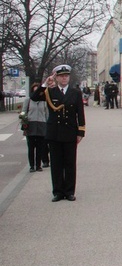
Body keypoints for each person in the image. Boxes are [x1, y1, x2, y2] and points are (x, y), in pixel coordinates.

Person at [31, 64, 86, 202]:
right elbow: (34, 97)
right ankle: (58, 191)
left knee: (69, 163)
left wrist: (80, 132)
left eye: (66, 76)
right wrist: (45, 84)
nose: (64, 78)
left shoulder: (75, 93)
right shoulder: (50, 91)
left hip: (70, 131)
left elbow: (80, 113)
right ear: (56, 77)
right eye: (61, 76)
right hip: (54, 132)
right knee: (56, 163)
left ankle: (69, 191)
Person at [22, 82, 49, 172]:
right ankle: (31, 166)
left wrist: (48, 124)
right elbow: (23, 113)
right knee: (31, 147)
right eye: (35, 90)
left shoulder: (44, 101)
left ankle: (38, 165)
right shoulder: (28, 100)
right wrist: (24, 122)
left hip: (41, 124)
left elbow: (47, 114)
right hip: (31, 124)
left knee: (40, 147)